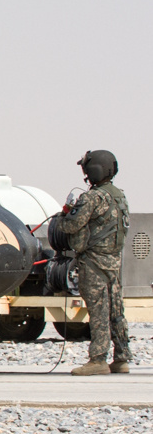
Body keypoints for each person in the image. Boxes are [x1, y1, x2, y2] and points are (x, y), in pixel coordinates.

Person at [58, 150, 132, 376]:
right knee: (116, 309)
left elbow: (70, 226)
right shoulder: (119, 196)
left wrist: (64, 215)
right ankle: (121, 357)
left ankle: (98, 359)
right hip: (113, 261)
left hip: (94, 263)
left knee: (98, 310)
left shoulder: (92, 198)